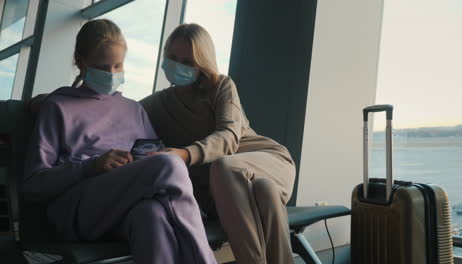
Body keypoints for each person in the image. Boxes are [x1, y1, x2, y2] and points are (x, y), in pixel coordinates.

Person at [23, 19, 216, 264]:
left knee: (152, 215)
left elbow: (150, 158)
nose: (112, 74)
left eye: (118, 66)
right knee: (168, 164)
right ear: (81, 62)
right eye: (103, 67)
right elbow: (33, 185)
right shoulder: (57, 107)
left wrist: (140, 162)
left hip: (124, 207)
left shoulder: (135, 110)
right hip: (77, 210)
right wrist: (92, 166)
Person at [139, 23, 296, 264]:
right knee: (265, 191)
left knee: (226, 166)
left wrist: (184, 154)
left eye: (188, 61)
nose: (178, 65)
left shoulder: (221, 86)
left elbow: (228, 136)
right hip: (224, 191)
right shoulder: (155, 105)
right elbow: (121, 116)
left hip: (267, 160)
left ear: (202, 63)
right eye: (172, 57)